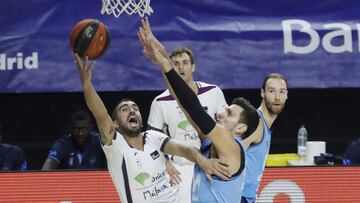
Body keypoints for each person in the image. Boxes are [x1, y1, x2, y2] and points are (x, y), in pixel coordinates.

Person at [73, 53, 231, 203]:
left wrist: (203, 162)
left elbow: (186, 150)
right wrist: (86, 84)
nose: (132, 110)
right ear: (115, 124)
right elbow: (100, 114)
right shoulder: (115, 147)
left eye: (135, 108)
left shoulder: (153, 137)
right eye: (125, 109)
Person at [139, 18, 260, 203]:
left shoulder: (232, 147)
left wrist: (164, 63)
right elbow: (182, 101)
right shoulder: (208, 143)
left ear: (241, 128)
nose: (221, 112)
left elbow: (193, 108)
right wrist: (161, 57)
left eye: (229, 114)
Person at [147, 47, 227, 203]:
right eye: (175, 64)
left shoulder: (213, 91)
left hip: (211, 164)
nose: (181, 67)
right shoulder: (160, 102)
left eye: (185, 63)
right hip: (180, 169)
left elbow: (227, 127)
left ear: (193, 66)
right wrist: (165, 162)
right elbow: (151, 141)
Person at [241, 73, 288, 203]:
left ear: (286, 95)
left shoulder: (264, 125)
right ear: (263, 93)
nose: (277, 97)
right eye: (272, 91)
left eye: (282, 92)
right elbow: (230, 152)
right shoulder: (255, 123)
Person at [42, 110, 107, 170]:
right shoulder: (62, 144)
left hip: (96, 181)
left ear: (90, 128)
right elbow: (47, 168)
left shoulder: (99, 141)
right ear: (70, 129)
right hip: (69, 181)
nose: (80, 133)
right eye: (76, 129)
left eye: (84, 129)